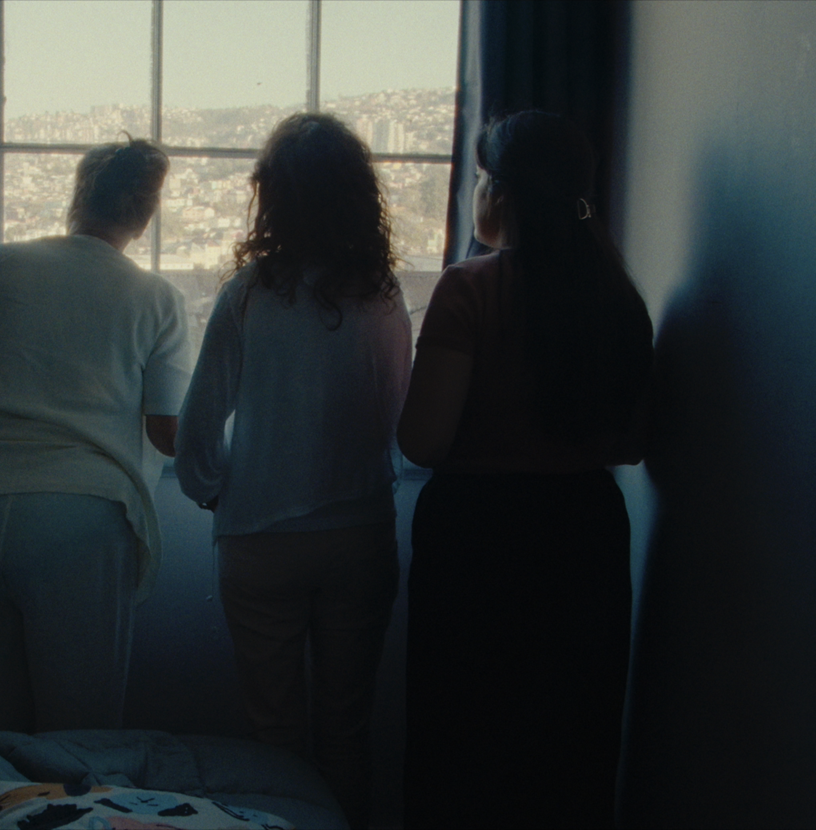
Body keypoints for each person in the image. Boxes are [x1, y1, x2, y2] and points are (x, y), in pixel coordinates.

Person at [397, 111, 654, 828]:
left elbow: (423, 440)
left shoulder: (468, 288)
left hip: (477, 535)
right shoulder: (618, 296)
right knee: (569, 740)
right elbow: (632, 444)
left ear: (504, 194)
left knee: (464, 738)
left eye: (482, 178)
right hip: (584, 532)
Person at [0, 137, 193, 734]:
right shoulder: (155, 296)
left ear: (79, 196)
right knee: (80, 728)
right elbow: (166, 431)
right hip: (79, 512)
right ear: (146, 213)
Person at [175, 112, 410, 830]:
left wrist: (214, 491)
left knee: (273, 733)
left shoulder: (249, 292)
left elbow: (198, 426)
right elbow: (401, 418)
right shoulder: (381, 291)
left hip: (261, 535)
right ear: (357, 195)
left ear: (272, 193)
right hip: (359, 532)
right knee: (347, 727)